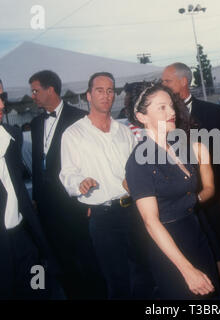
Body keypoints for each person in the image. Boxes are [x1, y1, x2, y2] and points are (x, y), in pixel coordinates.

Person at [59, 72, 154, 299]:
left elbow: (136, 168)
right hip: (104, 217)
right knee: (117, 281)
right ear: (89, 96)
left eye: (110, 90)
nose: (106, 95)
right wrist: (80, 183)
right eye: (100, 90)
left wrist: (135, 180)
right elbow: (67, 174)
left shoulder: (124, 131)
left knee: (146, 275)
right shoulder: (73, 134)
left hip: (135, 211)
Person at [125, 83, 220, 299]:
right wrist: (186, 270)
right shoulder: (138, 162)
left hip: (196, 234)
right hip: (171, 248)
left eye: (171, 106)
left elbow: (195, 193)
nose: (171, 112)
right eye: (161, 108)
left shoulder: (179, 147)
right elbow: (151, 222)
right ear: (142, 116)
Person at [161, 62, 220, 297]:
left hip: (211, 195)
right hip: (179, 199)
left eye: (167, 81)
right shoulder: (162, 116)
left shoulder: (212, 112)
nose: (163, 85)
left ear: (184, 81)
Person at [29, 70, 104, 299]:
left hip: (74, 203)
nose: (33, 96)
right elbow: (37, 163)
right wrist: (36, 198)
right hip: (46, 207)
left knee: (86, 255)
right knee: (60, 258)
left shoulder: (80, 118)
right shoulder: (35, 123)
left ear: (50, 90)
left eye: (35, 90)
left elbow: (92, 161)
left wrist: (91, 199)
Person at [0, 79, 58, 299]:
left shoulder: (11, 137)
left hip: (26, 241)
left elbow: (19, 188)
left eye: (3, 97)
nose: (2, 105)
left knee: (39, 290)